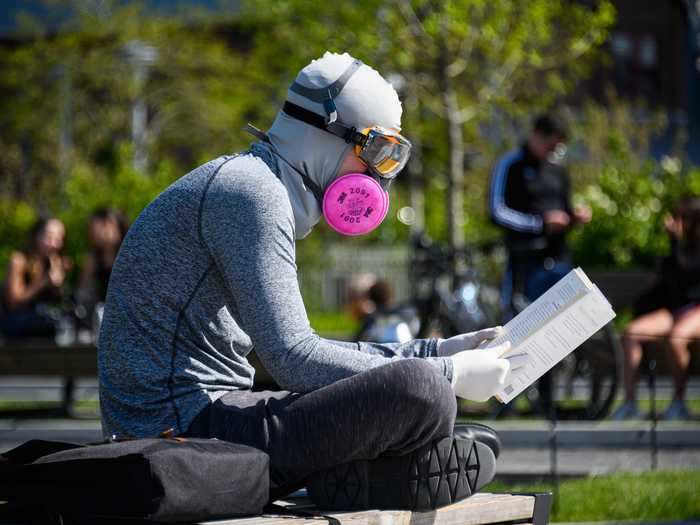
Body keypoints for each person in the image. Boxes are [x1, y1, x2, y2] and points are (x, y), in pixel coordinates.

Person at [99, 52, 526, 507]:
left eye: (392, 159)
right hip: (177, 435)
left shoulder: (254, 187)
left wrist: (436, 350)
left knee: (424, 391)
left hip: (200, 420)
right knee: (424, 393)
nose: (377, 179)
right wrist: (446, 373)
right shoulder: (252, 194)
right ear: (325, 134)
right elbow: (295, 359)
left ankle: (365, 474)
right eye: (376, 152)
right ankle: (371, 471)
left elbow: (300, 350)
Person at [488, 113, 591, 410]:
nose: (552, 151)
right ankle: (505, 400)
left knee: (553, 329)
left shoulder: (558, 170)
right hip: (523, 260)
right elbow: (497, 211)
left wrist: (574, 218)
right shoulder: (511, 165)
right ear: (536, 135)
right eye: (550, 143)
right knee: (516, 326)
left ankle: (546, 399)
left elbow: (564, 210)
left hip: (556, 259)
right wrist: (538, 223)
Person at [613, 196, 700, 420]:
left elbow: (690, 277)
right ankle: (630, 404)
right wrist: (673, 244)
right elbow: (667, 286)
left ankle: (679, 403)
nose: (675, 222)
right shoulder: (674, 252)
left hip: (696, 309)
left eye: (683, 218)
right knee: (632, 333)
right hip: (674, 311)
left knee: (676, 338)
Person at [0, 217, 71, 339]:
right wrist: (43, 282)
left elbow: (59, 303)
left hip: (43, 319)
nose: (55, 244)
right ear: (36, 236)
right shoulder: (19, 260)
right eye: (49, 237)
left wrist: (59, 285)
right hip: (17, 322)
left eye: (59, 239)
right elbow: (13, 302)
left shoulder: (54, 262)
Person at [75, 208, 129, 330]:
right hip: (101, 318)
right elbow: (82, 292)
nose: (93, 232)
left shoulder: (129, 255)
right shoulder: (93, 259)